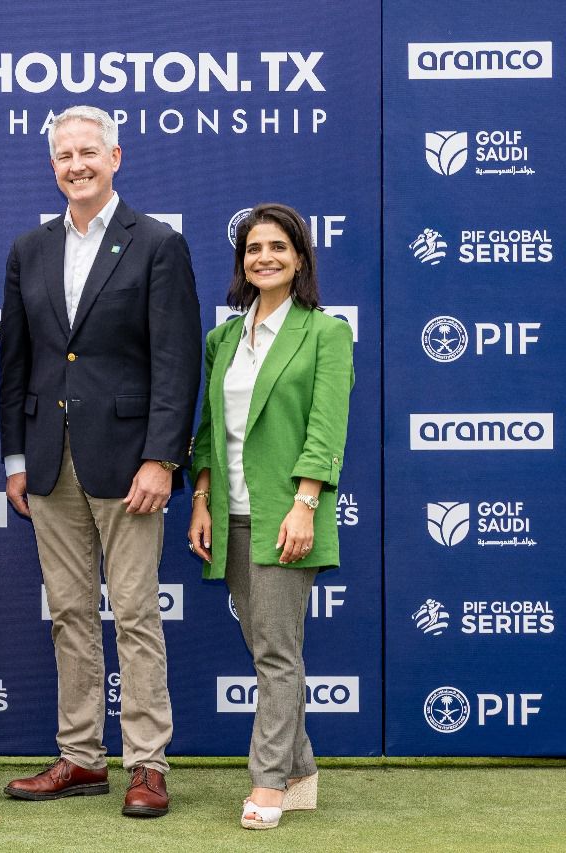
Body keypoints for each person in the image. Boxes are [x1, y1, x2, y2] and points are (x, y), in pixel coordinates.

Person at [0, 106, 201, 818]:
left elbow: (176, 361)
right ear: (52, 165)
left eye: (89, 151)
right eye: (65, 155)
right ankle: (81, 755)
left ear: (115, 157)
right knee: (70, 614)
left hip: (129, 462)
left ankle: (148, 763)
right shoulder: (29, 248)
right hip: (48, 463)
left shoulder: (157, 243)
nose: (76, 164)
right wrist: (16, 456)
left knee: (137, 613)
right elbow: (17, 362)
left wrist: (162, 458)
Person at [187, 202, 353, 830]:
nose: (265, 258)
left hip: (286, 515)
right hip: (230, 513)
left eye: (279, 247)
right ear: (242, 262)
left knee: (278, 655)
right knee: (265, 648)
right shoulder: (223, 339)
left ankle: (268, 782)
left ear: (301, 259)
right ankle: (301, 769)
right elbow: (209, 430)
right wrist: (201, 498)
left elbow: (325, 428)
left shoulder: (326, 333)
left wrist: (305, 506)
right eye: (254, 248)